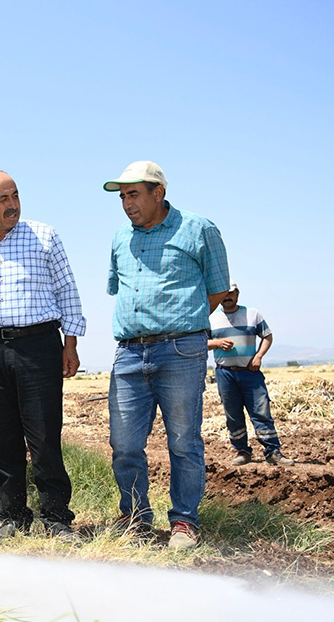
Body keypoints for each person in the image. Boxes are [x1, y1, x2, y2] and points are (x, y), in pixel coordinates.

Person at [104, 160, 230, 549]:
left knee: (183, 441)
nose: (127, 203)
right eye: (122, 196)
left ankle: (184, 522)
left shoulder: (199, 229)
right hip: (128, 353)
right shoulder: (119, 239)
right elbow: (117, 289)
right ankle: (136, 517)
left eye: (134, 194)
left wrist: (184, 323)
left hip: (180, 349)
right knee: (124, 443)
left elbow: (217, 289)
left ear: (158, 192)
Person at [0, 171, 85, 540]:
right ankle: (13, 515)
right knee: (0, 436)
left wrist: (70, 342)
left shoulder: (44, 236)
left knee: (44, 434)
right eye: (3, 199)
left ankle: (57, 516)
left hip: (38, 344)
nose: (12, 205)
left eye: (15, 195)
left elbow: (67, 290)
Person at [209, 282, 293, 467]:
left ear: (237, 293)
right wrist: (216, 343)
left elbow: (267, 336)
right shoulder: (211, 319)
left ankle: (273, 452)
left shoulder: (252, 314)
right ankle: (242, 451)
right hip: (225, 374)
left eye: (231, 293)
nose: (227, 297)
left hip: (250, 372)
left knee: (261, 412)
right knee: (233, 414)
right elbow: (200, 343)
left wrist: (259, 356)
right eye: (224, 294)